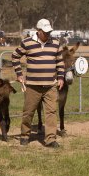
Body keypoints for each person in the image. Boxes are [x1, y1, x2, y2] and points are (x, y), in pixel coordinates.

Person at [12, 18, 65, 148]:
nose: (48, 35)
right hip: (32, 86)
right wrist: (19, 74)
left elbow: (60, 62)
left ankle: (50, 139)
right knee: (28, 112)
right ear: (38, 31)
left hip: (50, 86)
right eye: (45, 32)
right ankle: (25, 135)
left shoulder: (55, 43)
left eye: (49, 32)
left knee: (51, 112)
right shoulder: (27, 43)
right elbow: (15, 56)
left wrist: (61, 77)